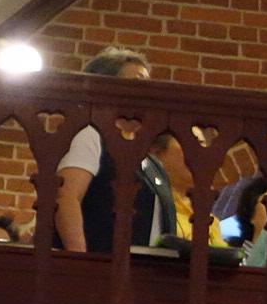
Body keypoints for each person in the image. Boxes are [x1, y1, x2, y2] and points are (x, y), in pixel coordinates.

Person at [53, 46, 191, 253]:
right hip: (99, 265)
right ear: (105, 89)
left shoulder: (152, 163)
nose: (146, 94)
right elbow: (66, 196)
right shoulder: (91, 135)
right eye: (137, 83)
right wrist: (78, 258)